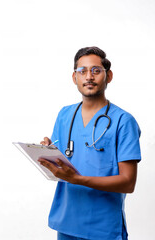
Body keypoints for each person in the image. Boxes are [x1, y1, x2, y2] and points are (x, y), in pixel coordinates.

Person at [38, 46, 141, 240]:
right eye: (82, 71)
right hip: (66, 223)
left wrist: (77, 179)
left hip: (103, 229)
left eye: (96, 71)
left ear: (108, 76)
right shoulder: (65, 115)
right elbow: (61, 167)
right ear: (74, 77)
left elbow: (128, 183)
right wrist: (47, 154)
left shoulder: (123, 121)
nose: (89, 77)